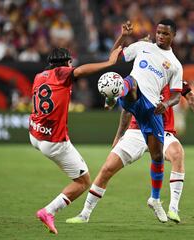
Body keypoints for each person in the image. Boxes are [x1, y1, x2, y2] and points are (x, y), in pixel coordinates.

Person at [67, 19, 184, 223]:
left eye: (165, 34)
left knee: (157, 158)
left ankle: (155, 200)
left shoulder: (174, 64)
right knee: (107, 168)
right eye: (158, 32)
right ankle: (84, 214)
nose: (160, 36)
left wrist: (166, 105)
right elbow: (113, 57)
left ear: (173, 36)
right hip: (133, 97)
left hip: (151, 111)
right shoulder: (142, 46)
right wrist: (123, 36)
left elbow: (176, 95)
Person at [66, 80, 194, 224]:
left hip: (163, 131)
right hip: (136, 131)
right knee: (107, 169)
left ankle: (173, 208)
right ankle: (85, 214)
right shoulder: (141, 77)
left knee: (177, 153)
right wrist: (119, 136)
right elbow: (126, 109)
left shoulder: (172, 75)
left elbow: (190, 96)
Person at [29, 46, 121, 235]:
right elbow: (79, 71)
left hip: (35, 134)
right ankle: (48, 212)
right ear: (65, 63)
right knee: (83, 182)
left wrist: (118, 43)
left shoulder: (39, 76)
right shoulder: (62, 73)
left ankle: (49, 212)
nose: (72, 65)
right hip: (53, 141)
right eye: (70, 61)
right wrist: (110, 63)